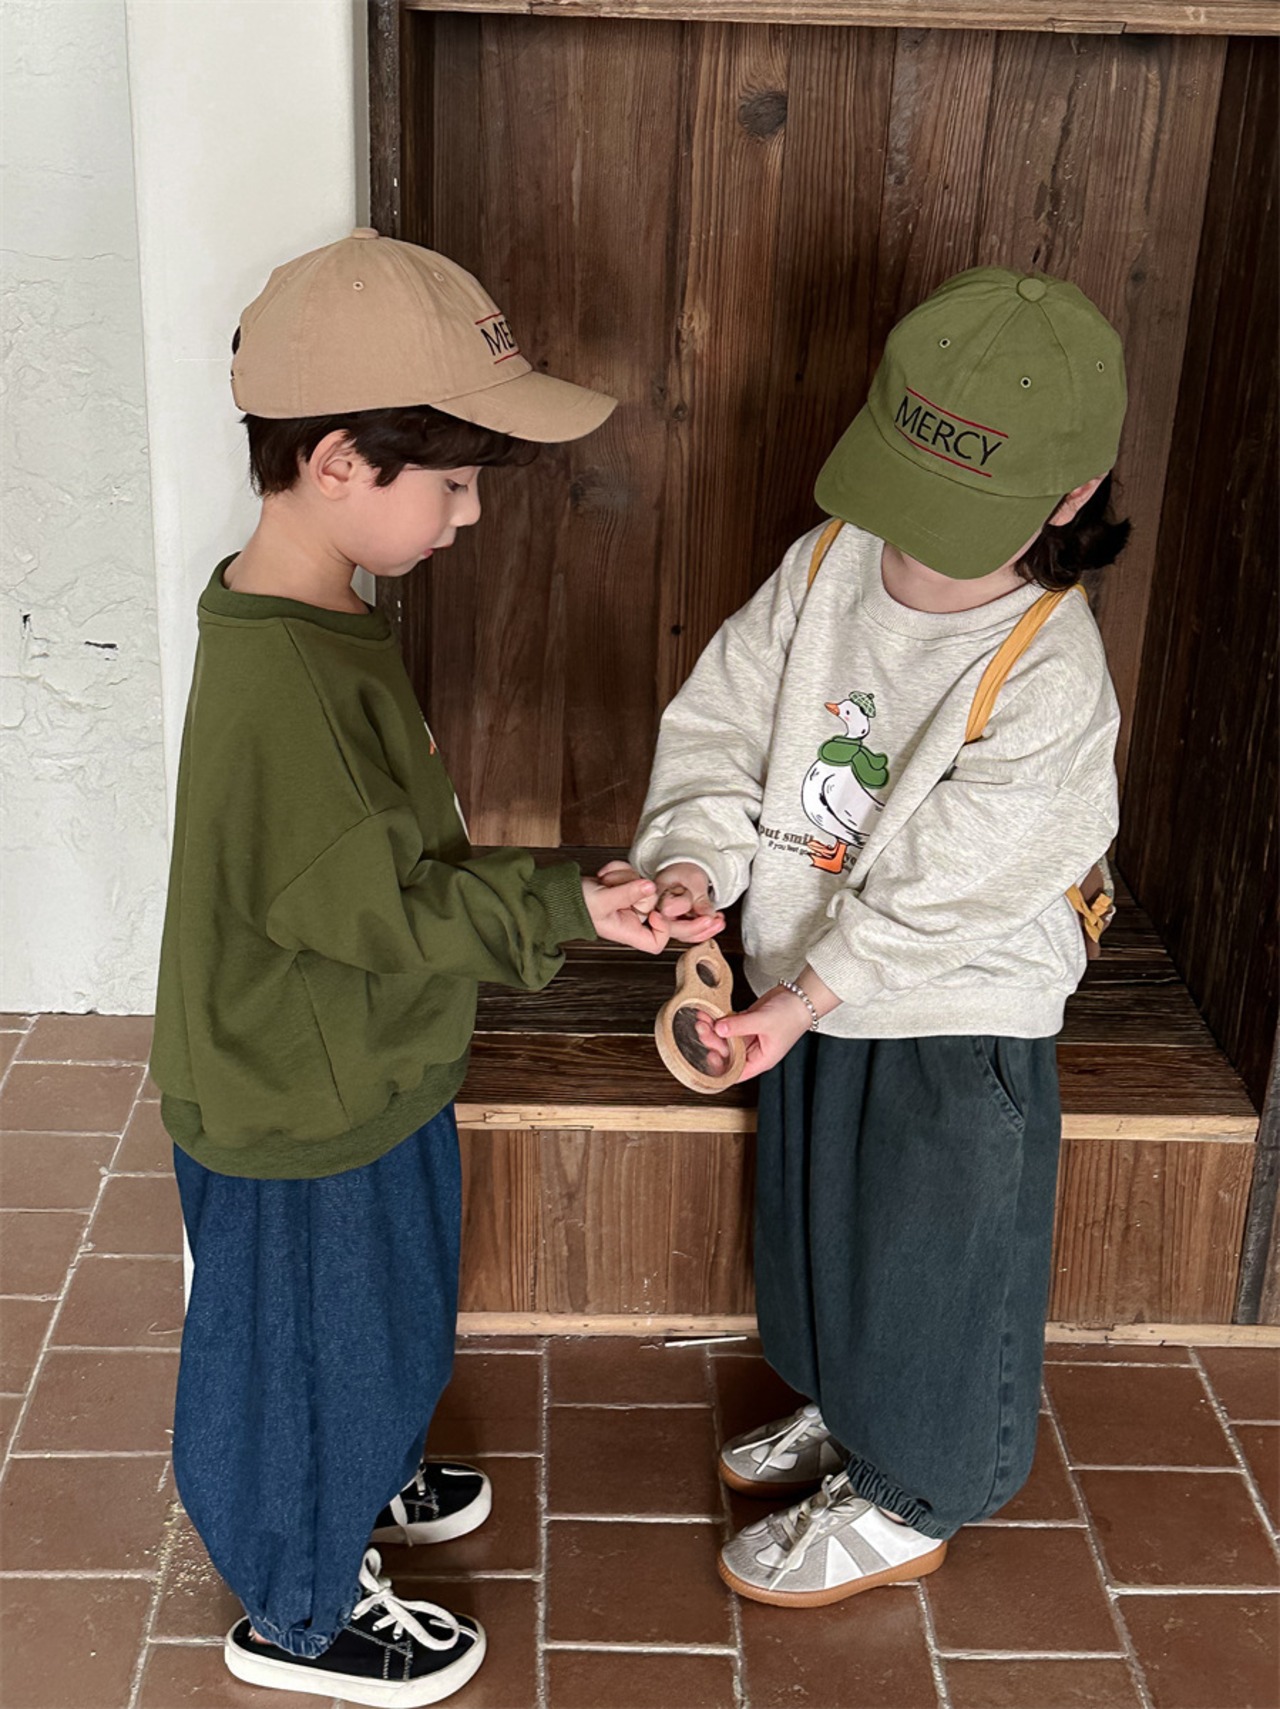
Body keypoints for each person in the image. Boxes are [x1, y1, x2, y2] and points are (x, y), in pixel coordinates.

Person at [149, 228, 668, 1704]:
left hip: (358, 1053)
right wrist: (564, 907)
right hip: (300, 1095)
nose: (469, 514)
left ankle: (359, 1463)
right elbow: (381, 906)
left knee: (376, 1316)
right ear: (338, 463)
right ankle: (299, 1606)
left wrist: (563, 899)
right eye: (450, 483)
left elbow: (377, 878)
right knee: (300, 1350)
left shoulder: (315, 614)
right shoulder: (284, 682)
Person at [626, 268, 1130, 1606]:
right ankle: (855, 1408)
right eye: (901, 496)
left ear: (1069, 497)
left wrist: (806, 995)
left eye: (953, 520)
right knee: (822, 1226)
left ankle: (920, 1482)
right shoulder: (830, 559)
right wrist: (697, 862)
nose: (910, 544)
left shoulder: (1050, 671)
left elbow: (955, 886)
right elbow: (727, 723)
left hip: (952, 1007)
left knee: (930, 1258)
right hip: (807, 979)